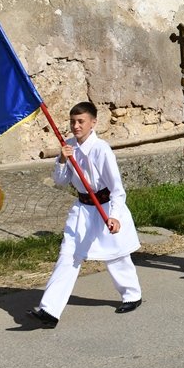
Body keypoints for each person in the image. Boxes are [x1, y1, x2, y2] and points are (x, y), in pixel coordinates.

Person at [29, 102, 142, 328]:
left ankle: (132, 294)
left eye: (81, 121)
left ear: (93, 123)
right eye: (72, 121)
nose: (76, 126)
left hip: (105, 207)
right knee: (68, 254)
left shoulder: (101, 149)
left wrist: (115, 216)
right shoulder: (68, 146)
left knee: (115, 254)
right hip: (81, 209)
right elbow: (60, 182)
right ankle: (50, 310)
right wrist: (62, 160)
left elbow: (117, 189)